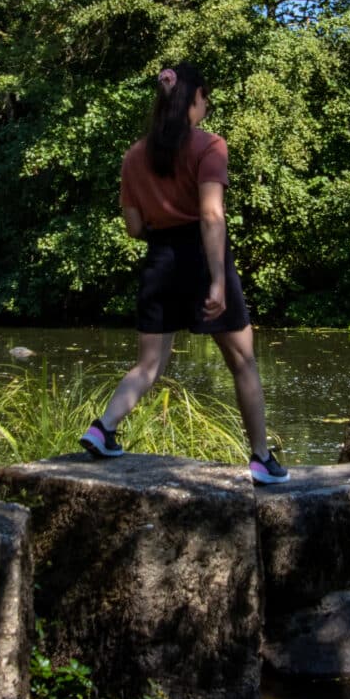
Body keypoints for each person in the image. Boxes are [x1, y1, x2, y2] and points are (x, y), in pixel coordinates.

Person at [80, 62, 288, 484]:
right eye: (205, 96)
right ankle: (261, 460)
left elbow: (134, 227)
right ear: (193, 98)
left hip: (159, 258)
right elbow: (212, 215)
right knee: (243, 361)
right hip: (201, 255)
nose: (207, 103)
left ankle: (103, 429)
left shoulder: (134, 156)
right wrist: (215, 280)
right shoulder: (210, 146)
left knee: (149, 365)